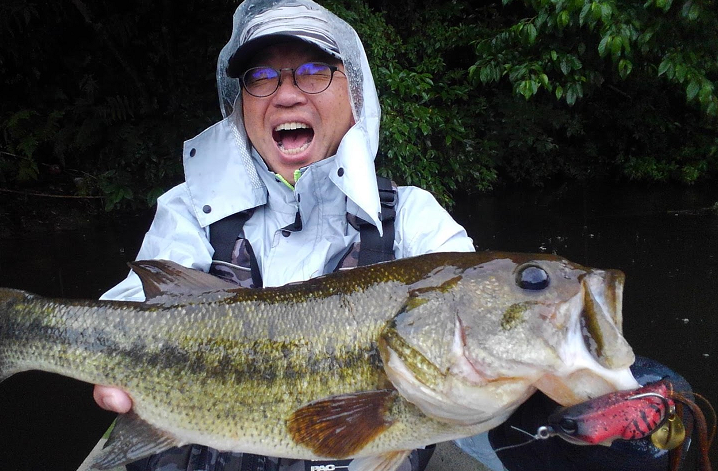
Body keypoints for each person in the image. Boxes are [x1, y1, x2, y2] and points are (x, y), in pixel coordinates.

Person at [85, 1, 690, 471]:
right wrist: (110, 362)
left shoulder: (416, 220)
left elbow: (481, 334)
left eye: (314, 71)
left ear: (355, 94)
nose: (286, 92)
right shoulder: (191, 210)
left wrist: (572, 386)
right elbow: (132, 307)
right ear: (240, 103)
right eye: (261, 77)